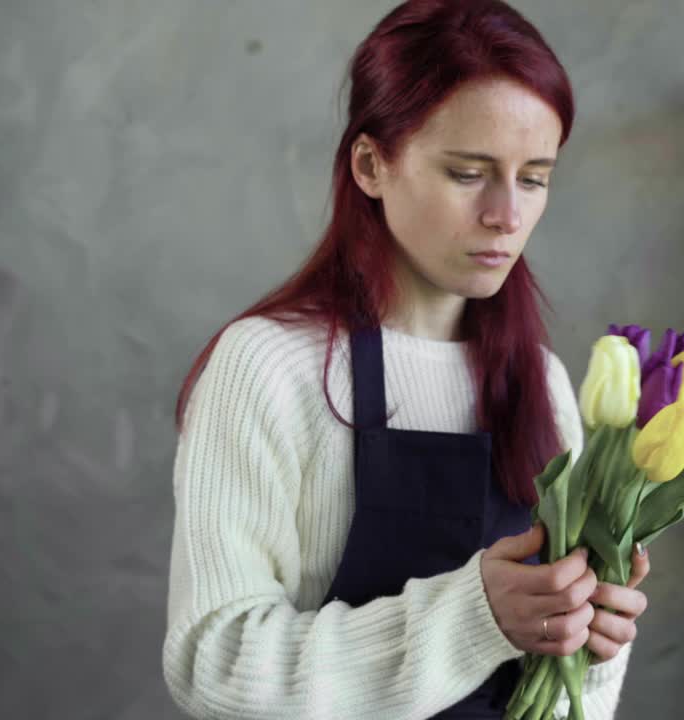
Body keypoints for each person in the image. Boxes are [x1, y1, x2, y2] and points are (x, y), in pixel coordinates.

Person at [161, 1, 649, 718]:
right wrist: (475, 618)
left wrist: (589, 642)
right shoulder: (267, 366)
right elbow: (214, 663)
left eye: (534, 178)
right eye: (467, 173)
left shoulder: (538, 380)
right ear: (370, 164)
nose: (507, 216)